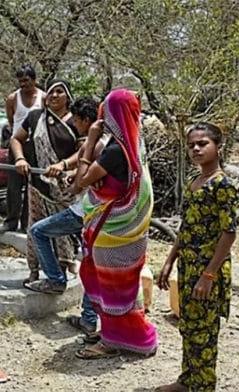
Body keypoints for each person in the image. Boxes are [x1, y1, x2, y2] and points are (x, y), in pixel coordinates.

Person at [155, 123, 239, 392]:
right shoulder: (195, 182)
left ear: (218, 146)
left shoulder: (222, 185)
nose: (195, 148)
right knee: (189, 327)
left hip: (208, 271)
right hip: (188, 266)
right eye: (191, 144)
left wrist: (209, 275)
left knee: (204, 332)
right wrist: (169, 261)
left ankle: (203, 386)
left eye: (202, 143)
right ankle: (187, 380)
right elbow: (187, 226)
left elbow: (229, 233)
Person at [73, 89, 157, 359]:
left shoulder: (113, 151)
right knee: (126, 286)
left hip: (111, 231)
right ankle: (126, 330)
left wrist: (90, 142)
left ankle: (112, 340)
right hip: (130, 232)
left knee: (111, 285)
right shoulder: (134, 143)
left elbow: (80, 181)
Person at [23, 97, 102, 337]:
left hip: (88, 211)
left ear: (86, 121)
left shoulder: (96, 143)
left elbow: (82, 181)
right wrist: (69, 172)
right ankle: (88, 319)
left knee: (39, 231)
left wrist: (72, 177)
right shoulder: (106, 141)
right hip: (98, 211)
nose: (74, 124)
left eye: (77, 120)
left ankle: (56, 280)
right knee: (91, 263)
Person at [10, 79, 79, 285]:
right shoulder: (35, 117)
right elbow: (16, 139)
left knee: (60, 231)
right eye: (51, 92)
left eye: (59, 92)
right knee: (34, 228)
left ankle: (61, 271)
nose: (54, 96)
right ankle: (34, 270)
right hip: (38, 184)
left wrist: (63, 165)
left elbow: (85, 151)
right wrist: (20, 158)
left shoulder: (75, 121)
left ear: (68, 96)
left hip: (64, 187)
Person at [0, 65, 45, 232]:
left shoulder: (43, 98)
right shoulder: (12, 99)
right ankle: (11, 221)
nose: (23, 84)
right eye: (20, 81)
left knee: (32, 185)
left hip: (36, 146)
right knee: (13, 186)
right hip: (17, 144)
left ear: (34, 80)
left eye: (26, 80)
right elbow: (12, 122)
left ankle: (27, 222)